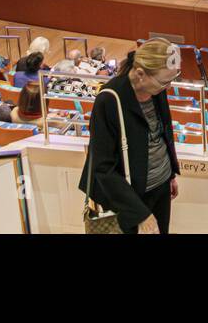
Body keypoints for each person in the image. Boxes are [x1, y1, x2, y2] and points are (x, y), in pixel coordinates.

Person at [77, 39, 182, 234]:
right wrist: (140, 213)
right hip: (130, 196)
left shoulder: (156, 88)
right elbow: (103, 167)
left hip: (160, 186)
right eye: (165, 82)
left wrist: (170, 174)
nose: (168, 87)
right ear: (141, 74)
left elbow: (161, 132)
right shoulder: (108, 100)